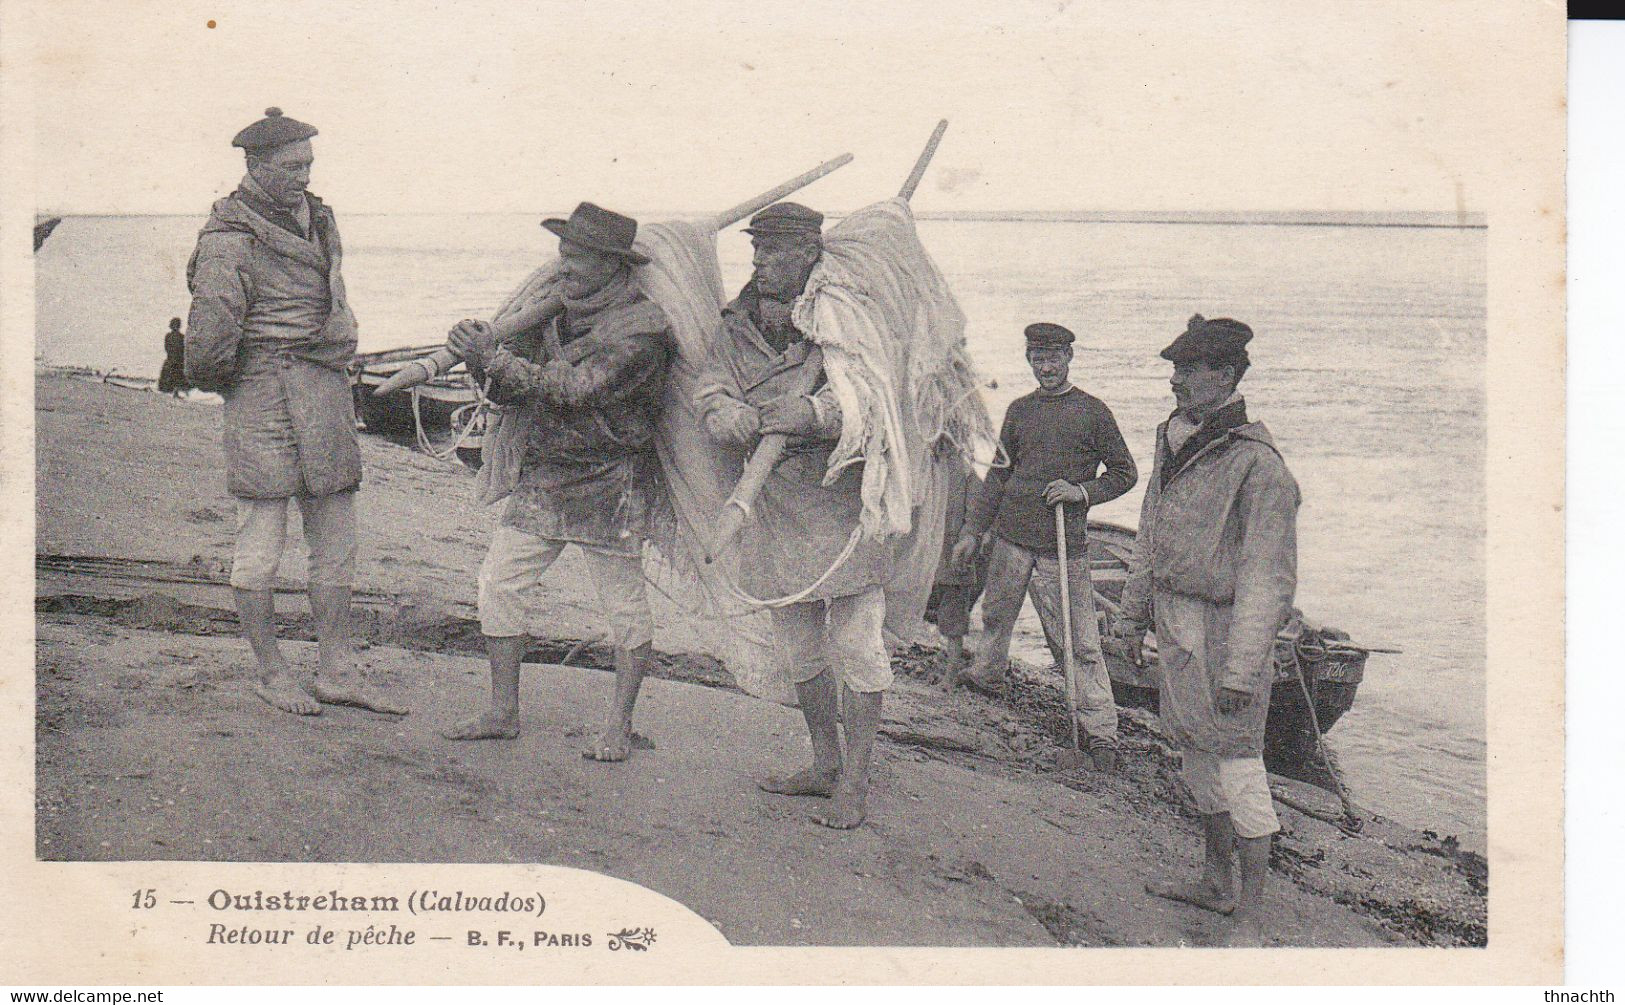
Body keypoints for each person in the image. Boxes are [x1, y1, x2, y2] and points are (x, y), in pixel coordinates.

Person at [185, 108, 404, 717]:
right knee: (261, 539)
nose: (304, 177)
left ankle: (335, 669)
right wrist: (239, 385)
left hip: (325, 391)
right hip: (263, 395)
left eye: (308, 164)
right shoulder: (228, 237)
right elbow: (208, 340)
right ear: (255, 167)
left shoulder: (321, 217)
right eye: (290, 167)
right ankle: (271, 671)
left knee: (337, 536)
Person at [442, 202, 674, 763]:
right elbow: (507, 391)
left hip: (610, 479)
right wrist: (478, 357)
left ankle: (619, 727)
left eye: (577, 257)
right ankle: (502, 712)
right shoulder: (554, 310)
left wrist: (491, 356)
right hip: (546, 472)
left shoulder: (643, 330)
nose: (563, 266)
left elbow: (570, 390)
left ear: (615, 267)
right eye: (562, 254)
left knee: (622, 605)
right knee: (499, 582)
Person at [696, 202, 893, 830]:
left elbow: (877, 394)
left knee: (859, 645)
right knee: (800, 649)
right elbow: (709, 381)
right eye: (756, 252)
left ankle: (857, 782)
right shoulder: (736, 324)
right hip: (772, 507)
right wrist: (721, 411)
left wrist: (816, 416)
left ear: (810, 251)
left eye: (775, 252)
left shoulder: (845, 314)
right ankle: (824, 761)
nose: (761, 263)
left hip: (843, 506)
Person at [1112, 314, 1300, 947]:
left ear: (1228, 376)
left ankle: (1250, 914)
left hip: (1224, 633)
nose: (1176, 381)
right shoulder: (1172, 436)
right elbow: (1150, 531)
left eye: (1189, 370)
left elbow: (1267, 578)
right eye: (1174, 369)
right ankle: (1215, 882)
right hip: (1175, 622)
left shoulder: (1259, 465)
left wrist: (1245, 670)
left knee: (1240, 767)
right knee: (1196, 758)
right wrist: (1130, 617)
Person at [949, 322, 1136, 771]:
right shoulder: (1019, 411)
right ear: (1029, 360)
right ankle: (987, 678)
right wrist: (973, 531)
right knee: (996, 616)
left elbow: (1125, 473)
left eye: (1054, 358)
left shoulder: (1093, 413)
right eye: (1038, 359)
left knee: (1076, 641)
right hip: (1012, 536)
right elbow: (998, 474)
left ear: (1069, 358)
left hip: (1061, 544)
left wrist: (1081, 491)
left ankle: (1099, 731)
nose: (1047, 367)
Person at [926, 451, 986, 675]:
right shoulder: (962, 472)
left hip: (951, 561)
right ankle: (950, 672)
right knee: (953, 623)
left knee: (953, 623)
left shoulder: (965, 473)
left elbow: (975, 519)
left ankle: (951, 674)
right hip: (942, 560)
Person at [158, 317, 189, 397]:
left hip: (172, 359)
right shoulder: (182, 337)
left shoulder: (169, 336)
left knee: (171, 376)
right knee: (178, 376)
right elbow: (184, 349)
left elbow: (167, 347)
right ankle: (176, 392)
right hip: (177, 360)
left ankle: (173, 392)